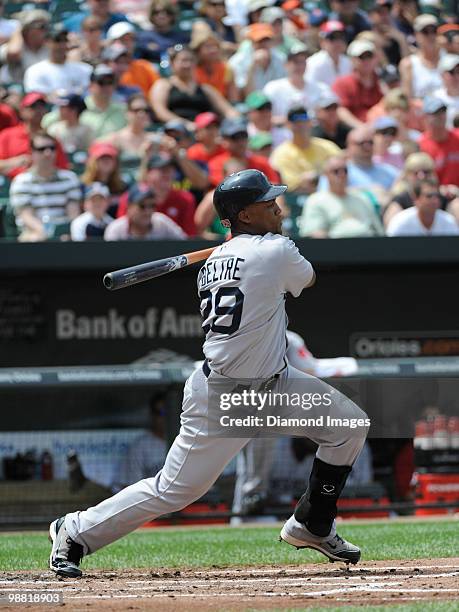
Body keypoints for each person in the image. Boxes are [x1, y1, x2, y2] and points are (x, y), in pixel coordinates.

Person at [49, 168, 368, 577]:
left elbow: (260, 270)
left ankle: (313, 522)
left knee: (348, 425)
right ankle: (74, 529)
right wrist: (260, 245)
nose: (277, 207)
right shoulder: (275, 250)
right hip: (226, 395)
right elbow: (306, 277)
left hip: (276, 383)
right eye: (266, 202)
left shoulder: (215, 262)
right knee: (175, 489)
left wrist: (242, 246)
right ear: (244, 216)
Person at [10, 132, 82, 242]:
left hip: (63, 233)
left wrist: (63, 232)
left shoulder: (69, 178)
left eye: (52, 148)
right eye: (41, 149)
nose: (48, 153)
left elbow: (73, 214)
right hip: (32, 233)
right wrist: (47, 234)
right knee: (35, 238)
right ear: (32, 152)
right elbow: (27, 217)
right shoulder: (21, 181)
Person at [150, 44, 238, 130]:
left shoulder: (205, 89)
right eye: (184, 60)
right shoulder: (163, 85)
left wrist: (236, 119)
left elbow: (227, 109)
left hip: (205, 131)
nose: (188, 64)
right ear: (172, 63)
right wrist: (186, 125)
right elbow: (160, 111)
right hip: (176, 131)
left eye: (191, 60)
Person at [299, 155, 384, 238]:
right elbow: (314, 233)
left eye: (345, 170)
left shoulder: (362, 198)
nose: (342, 174)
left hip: (369, 246)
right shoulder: (316, 200)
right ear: (326, 174)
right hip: (335, 248)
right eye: (336, 171)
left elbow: (378, 230)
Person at [270, 106, 340, 193]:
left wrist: (315, 177)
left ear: (310, 122)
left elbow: (343, 168)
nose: (301, 124)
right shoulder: (281, 153)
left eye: (304, 120)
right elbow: (292, 187)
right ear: (288, 124)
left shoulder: (327, 146)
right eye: (295, 121)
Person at [0, 92, 68, 179]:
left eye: (41, 107)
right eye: (33, 107)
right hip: (11, 185)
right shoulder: (7, 135)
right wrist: (13, 162)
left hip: (43, 187)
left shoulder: (50, 139)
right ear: (22, 111)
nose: (38, 110)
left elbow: (62, 168)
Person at [263, 42, 330, 125]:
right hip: (282, 134)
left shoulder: (320, 88)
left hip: (312, 134)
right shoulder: (273, 88)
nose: (300, 66)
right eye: (296, 62)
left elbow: (329, 116)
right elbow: (263, 119)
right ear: (286, 64)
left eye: (303, 62)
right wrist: (294, 120)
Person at [208, 118, 280, 186]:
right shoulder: (215, 164)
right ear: (224, 140)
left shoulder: (261, 162)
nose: (240, 142)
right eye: (235, 137)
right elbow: (220, 191)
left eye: (243, 136)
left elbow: (274, 186)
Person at [23, 26, 92, 96]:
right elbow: (34, 97)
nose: (62, 45)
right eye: (57, 40)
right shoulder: (35, 71)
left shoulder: (84, 69)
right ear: (47, 42)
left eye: (65, 40)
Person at [104, 183, 186, 240]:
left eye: (152, 206)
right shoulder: (116, 229)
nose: (148, 211)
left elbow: (184, 246)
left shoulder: (161, 222)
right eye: (142, 206)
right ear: (129, 207)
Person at [332, 39, 383, 128]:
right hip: (355, 131)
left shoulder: (382, 81)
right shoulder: (342, 83)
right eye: (362, 57)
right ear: (352, 60)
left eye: (369, 56)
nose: (366, 61)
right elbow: (340, 110)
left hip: (383, 129)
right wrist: (361, 127)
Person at [228, 22, 287, 96]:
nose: (264, 44)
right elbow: (242, 95)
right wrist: (252, 66)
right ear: (251, 42)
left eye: (267, 40)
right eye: (259, 41)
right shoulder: (238, 61)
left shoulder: (280, 58)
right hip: (249, 103)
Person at [386, 178, 459, 236]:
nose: (434, 200)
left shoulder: (449, 221)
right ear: (416, 199)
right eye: (429, 196)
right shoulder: (400, 222)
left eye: (437, 195)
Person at [342, 125, 398, 194]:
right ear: (349, 145)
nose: (367, 147)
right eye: (362, 143)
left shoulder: (388, 171)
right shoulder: (340, 172)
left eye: (370, 143)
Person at [191, 23, 238, 102]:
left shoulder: (227, 69)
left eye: (215, 46)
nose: (213, 50)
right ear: (197, 51)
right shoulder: (191, 70)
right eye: (208, 47)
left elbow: (234, 98)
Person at [399, 14, 442, 100]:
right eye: (425, 32)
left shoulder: (451, 57)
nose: (431, 36)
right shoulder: (408, 64)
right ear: (416, 35)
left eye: (434, 31)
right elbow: (408, 100)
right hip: (423, 111)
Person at [0, 10, 50, 84]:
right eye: (41, 26)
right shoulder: (15, 46)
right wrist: (18, 31)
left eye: (46, 26)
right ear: (27, 29)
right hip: (17, 89)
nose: (45, 30)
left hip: (42, 89)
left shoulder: (49, 47)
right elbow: (14, 53)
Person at [419, 96, 459, 187]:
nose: (440, 116)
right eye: (435, 113)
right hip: (437, 195)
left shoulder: (457, 136)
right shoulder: (421, 145)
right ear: (425, 117)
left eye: (443, 111)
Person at [80, 64, 128, 138]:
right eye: (101, 83)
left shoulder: (124, 109)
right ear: (90, 86)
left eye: (110, 83)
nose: (106, 87)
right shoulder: (78, 106)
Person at [136, 0, 189, 65]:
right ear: (152, 15)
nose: (162, 16)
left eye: (167, 12)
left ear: (172, 15)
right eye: (157, 12)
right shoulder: (143, 37)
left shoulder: (182, 38)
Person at [81, 142, 127, 215]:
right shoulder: (82, 186)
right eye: (102, 157)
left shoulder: (122, 186)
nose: (106, 161)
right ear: (92, 161)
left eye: (110, 157)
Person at [306, 20, 352, 88]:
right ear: (322, 41)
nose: (338, 42)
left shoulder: (348, 62)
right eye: (333, 38)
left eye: (341, 37)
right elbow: (309, 89)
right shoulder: (314, 63)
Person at [63, 0, 132, 37]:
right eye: (98, 0)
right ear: (88, 1)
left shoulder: (121, 20)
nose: (103, 2)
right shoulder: (74, 21)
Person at [433, 54, 459, 129]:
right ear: (441, 75)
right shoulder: (435, 98)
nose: (457, 76)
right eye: (451, 72)